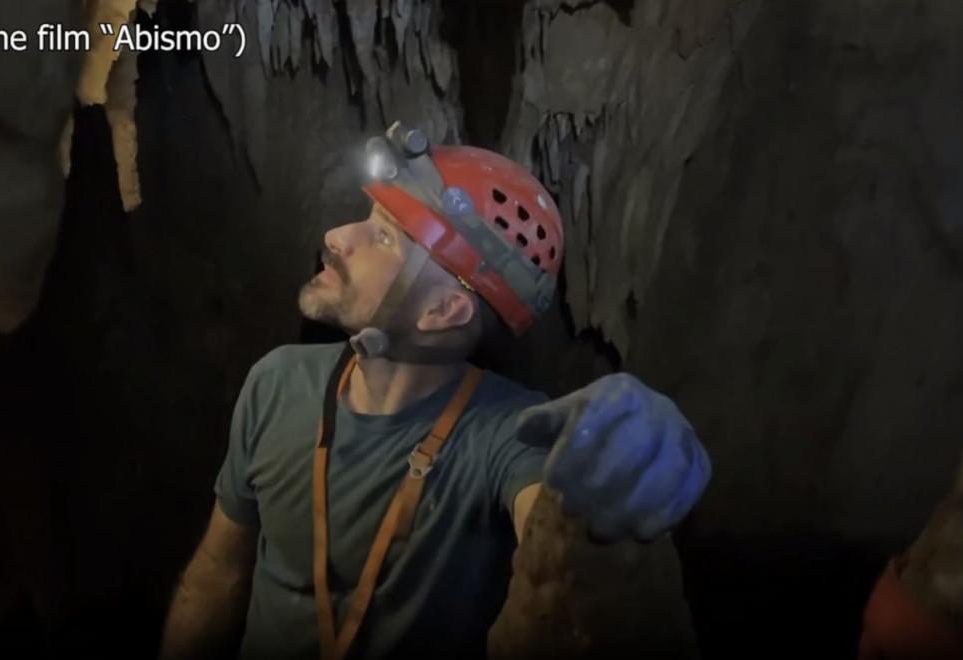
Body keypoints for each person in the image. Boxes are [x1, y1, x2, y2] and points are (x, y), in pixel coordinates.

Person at [159, 123, 712, 660]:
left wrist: (617, 497)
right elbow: (217, 575)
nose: (335, 237)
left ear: (443, 309)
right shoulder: (277, 382)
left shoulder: (511, 434)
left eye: (381, 236)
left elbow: (561, 538)